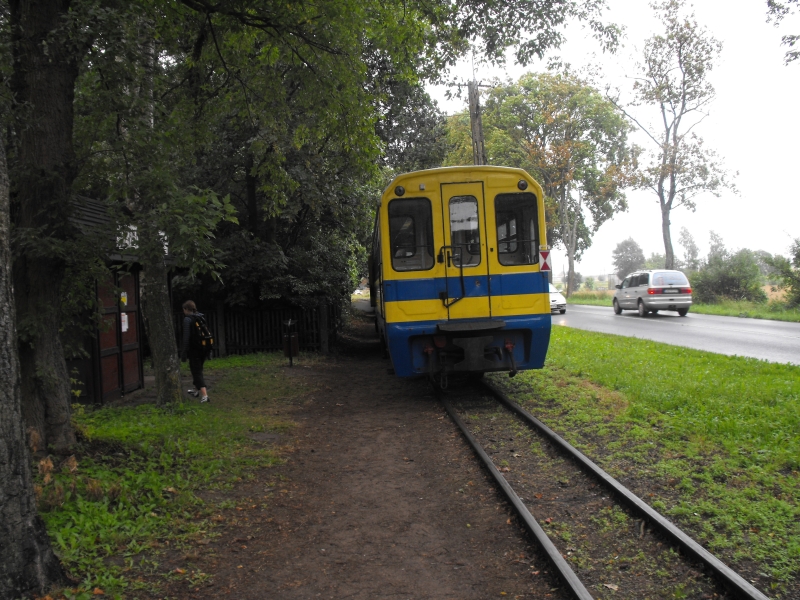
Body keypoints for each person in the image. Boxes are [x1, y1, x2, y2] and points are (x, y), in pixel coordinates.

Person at [180, 300, 209, 403]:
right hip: (204, 348)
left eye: (183, 309)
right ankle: (196, 390)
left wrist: (183, 353)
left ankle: (205, 395)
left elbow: (186, 338)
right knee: (198, 369)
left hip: (194, 350)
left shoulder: (188, 320)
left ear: (186, 309)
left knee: (196, 372)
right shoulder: (200, 317)